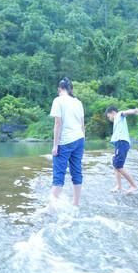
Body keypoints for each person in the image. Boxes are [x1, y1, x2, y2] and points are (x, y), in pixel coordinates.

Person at [49, 77, 85, 207]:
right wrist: (83, 143)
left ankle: (51, 208)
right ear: (71, 89)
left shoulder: (58, 101)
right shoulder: (78, 102)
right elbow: (82, 125)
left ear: (59, 89)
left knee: (58, 174)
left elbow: (58, 124)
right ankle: (76, 203)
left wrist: (55, 145)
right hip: (79, 140)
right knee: (77, 172)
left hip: (65, 141)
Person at [105, 105, 138, 194]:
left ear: (112, 113)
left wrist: (134, 110)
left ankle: (134, 186)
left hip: (122, 142)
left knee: (119, 166)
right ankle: (119, 186)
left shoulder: (118, 115)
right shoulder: (117, 120)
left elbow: (125, 112)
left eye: (109, 116)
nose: (109, 119)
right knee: (115, 164)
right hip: (119, 143)